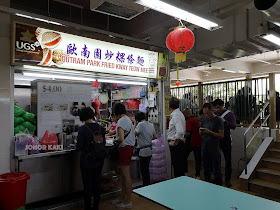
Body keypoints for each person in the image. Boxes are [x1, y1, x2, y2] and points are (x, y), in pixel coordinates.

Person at [76, 107, 105, 210]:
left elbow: (79, 146)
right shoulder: (101, 128)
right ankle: (96, 206)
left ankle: (88, 207)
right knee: (96, 184)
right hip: (99, 160)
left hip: (87, 161)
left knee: (87, 185)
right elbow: (103, 144)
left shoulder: (82, 129)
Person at [112, 103, 135, 209]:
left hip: (124, 148)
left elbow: (121, 138)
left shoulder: (121, 121)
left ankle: (128, 201)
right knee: (123, 175)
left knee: (125, 175)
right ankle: (122, 197)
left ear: (116, 113)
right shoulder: (128, 119)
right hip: (129, 148)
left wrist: (113, 140)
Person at [213, 99, 236, 187]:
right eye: (216, 108)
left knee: (228, 160)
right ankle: (217, 177)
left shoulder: (230, 114)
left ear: (223, 105)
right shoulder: (215, 113)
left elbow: (234, 126)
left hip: (226, 139)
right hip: (217, 138)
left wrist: (224, 121)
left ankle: (227, 179)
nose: (217, 109)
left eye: (218, 107)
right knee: (216, 159)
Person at [200, 103, 224, 186]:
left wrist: (210, 132)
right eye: (205, 113)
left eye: (208, 113)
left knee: (216, 168)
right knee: (205, 168)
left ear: (212, 110)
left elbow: (221, 135)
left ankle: (218, 185)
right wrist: (201, 132)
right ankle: (207, 184)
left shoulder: (218, 120)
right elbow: (201, 132)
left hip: (214, 147)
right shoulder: (204, 120)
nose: (206, 115)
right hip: (204, 146)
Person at [133, 112, 158, 186]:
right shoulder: (150, 124)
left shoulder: (140, 125)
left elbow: (134, 134)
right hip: (149, 150)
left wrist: (134, 123)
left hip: (143, 151)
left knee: (143, 171)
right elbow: (155, 136)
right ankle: (147, 185)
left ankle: (146, 187)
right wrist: (148, 138)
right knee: (146, 169)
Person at [167, 97, 186, 177]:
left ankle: (178, 186)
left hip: (177, 145)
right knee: (179, 166)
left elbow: (180, 131)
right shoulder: (179, 113)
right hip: (178, 143)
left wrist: (175, 142)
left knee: (177, 167)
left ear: (169, 106)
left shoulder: (176, 115)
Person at [183, 108, 202, 179]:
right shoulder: (196, 120)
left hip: (190, 142)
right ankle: (198, 175)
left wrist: (179, 135)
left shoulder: (189, 120)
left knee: (183, 156)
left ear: (186, 114)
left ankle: (185, 172)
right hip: (198, 142)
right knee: (197, 159)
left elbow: (188, 133)